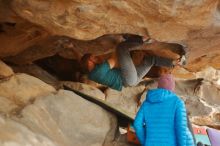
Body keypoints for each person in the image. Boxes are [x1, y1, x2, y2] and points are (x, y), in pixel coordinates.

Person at [80, 35, 175, 91]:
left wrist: (72, 49)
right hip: (127, 78)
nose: (96, 57)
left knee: (150, 60)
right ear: (89, 62)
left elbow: (80, 61)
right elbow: (114, 60)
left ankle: (172, 63)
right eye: (93, 57)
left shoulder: (91, 75)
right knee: (121, 48)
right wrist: (117, 44)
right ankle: (142, 40)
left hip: (131, 82)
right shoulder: (98, 71)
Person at [133, 74, 194, 146]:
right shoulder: (178, 102)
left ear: (158, 86)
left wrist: (145, 142)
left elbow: (137, 124)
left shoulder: (147, 103)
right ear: (172, 88)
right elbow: (181, 129)